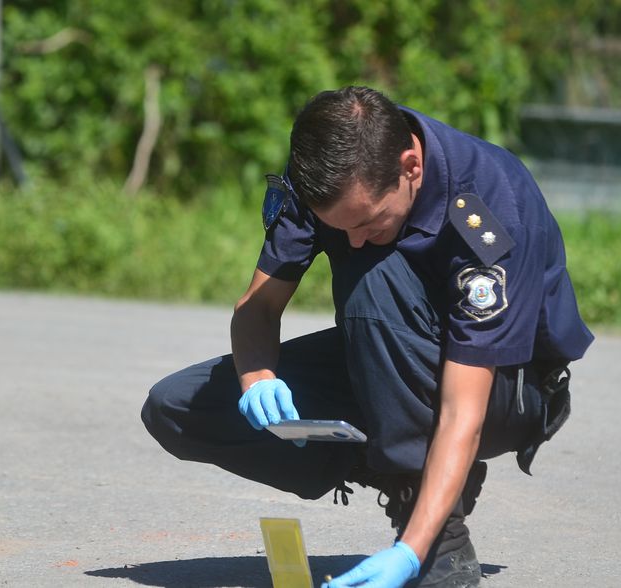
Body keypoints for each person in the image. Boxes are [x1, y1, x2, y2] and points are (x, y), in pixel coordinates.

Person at [141, 86, 593, 588]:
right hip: (386, 358)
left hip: (509, 387)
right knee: (177, 407)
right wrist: (256, 377)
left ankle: (436, 532)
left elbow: (463, 410)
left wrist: (411, 553)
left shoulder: (487, 206)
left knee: (373, 277)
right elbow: (259, 306)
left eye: (368, 221)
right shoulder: (326, 175)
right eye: (342, 227)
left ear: (410, 168)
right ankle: (400, 465)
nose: (353, 240)